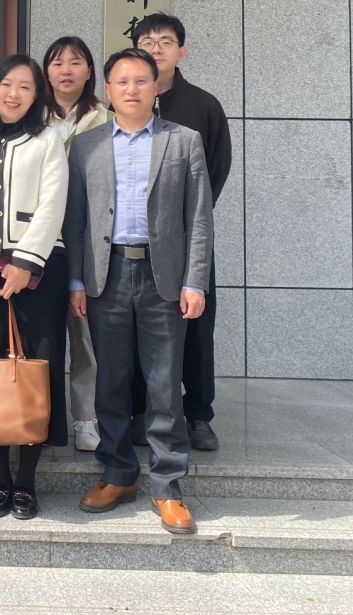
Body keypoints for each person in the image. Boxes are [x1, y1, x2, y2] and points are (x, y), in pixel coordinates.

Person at [65, 47, 213, 536]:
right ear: (108, 90)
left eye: (141, 80)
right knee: (110, 381)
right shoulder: (86, 146)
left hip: (162, 278)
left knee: (164, 384)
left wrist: (194, 280)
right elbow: (76, 219)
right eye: (122, 81)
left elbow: (199, 219)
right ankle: (117, 473)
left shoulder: (184, 141)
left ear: (156, 87)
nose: (131, 89)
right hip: (106, 275)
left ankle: (168, 485)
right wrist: (76, 280)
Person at [0, 54, 68, 520]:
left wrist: (24, 262)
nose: (14, 93)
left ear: (37, 94)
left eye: (25, 86)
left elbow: (53, 204)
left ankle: (27, 480)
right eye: (6, 84)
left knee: (36, 369)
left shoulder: (49, 138)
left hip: (37, 275)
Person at [131, 14, 231, 452]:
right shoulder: (124, 102)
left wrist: (190, 222)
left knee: (196, 328)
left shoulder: (203, 106)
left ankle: (198, 415)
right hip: (132, 242)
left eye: (165, 41)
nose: (156, 48)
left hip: (187, 239)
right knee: (135, 330)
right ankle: (140, 411)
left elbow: (216, 170)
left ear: (181, 51)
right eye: (147, 41)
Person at [43, 36, 111, 454]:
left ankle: (86, 419)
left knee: (85, 337)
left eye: (76, 62)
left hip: (90, 241)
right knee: (42, 338)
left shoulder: (108, 118)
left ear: (89, 71)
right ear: (46, 71)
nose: (66, 70)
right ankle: (40, 415)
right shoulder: (31, 117)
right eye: (57, 62)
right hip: (43, 243)